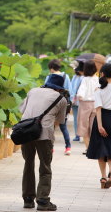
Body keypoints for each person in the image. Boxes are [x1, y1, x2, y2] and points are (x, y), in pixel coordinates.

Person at [20, 74, 68, 211]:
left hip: (25, 132)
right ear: (59, 88)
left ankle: (28, 200)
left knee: (28, 164)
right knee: (45, 167)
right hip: (44, 134)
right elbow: (60, 120)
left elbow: (23, 110)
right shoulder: (61, 99)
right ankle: (43, 201)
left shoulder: (32, 91)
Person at [45, 59, 72, 155]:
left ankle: (50, 147)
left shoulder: (49, 77)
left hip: (52, 104)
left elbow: (45, 90)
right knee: (63, 126)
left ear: (51, 68)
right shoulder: (66, 76)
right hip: (63, 103)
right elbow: (70, 92)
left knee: (50, 126)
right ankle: (68, 147)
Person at [77, 60, 100, 154]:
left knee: (84, 127)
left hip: (85, 104)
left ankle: (88, 148)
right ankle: (95, 148)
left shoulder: (85, 79)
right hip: (96, 104)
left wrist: (80, 96)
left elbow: (81, 92)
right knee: (93, 127)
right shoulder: (98, 79)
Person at [69, 62, 84, 142]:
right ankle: (77, 135)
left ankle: (83, 134)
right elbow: (71, 88)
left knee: (82, 118)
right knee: (76, 118)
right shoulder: (74, 77)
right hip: (74, 101)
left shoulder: (83, 77)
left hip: (82, 100)